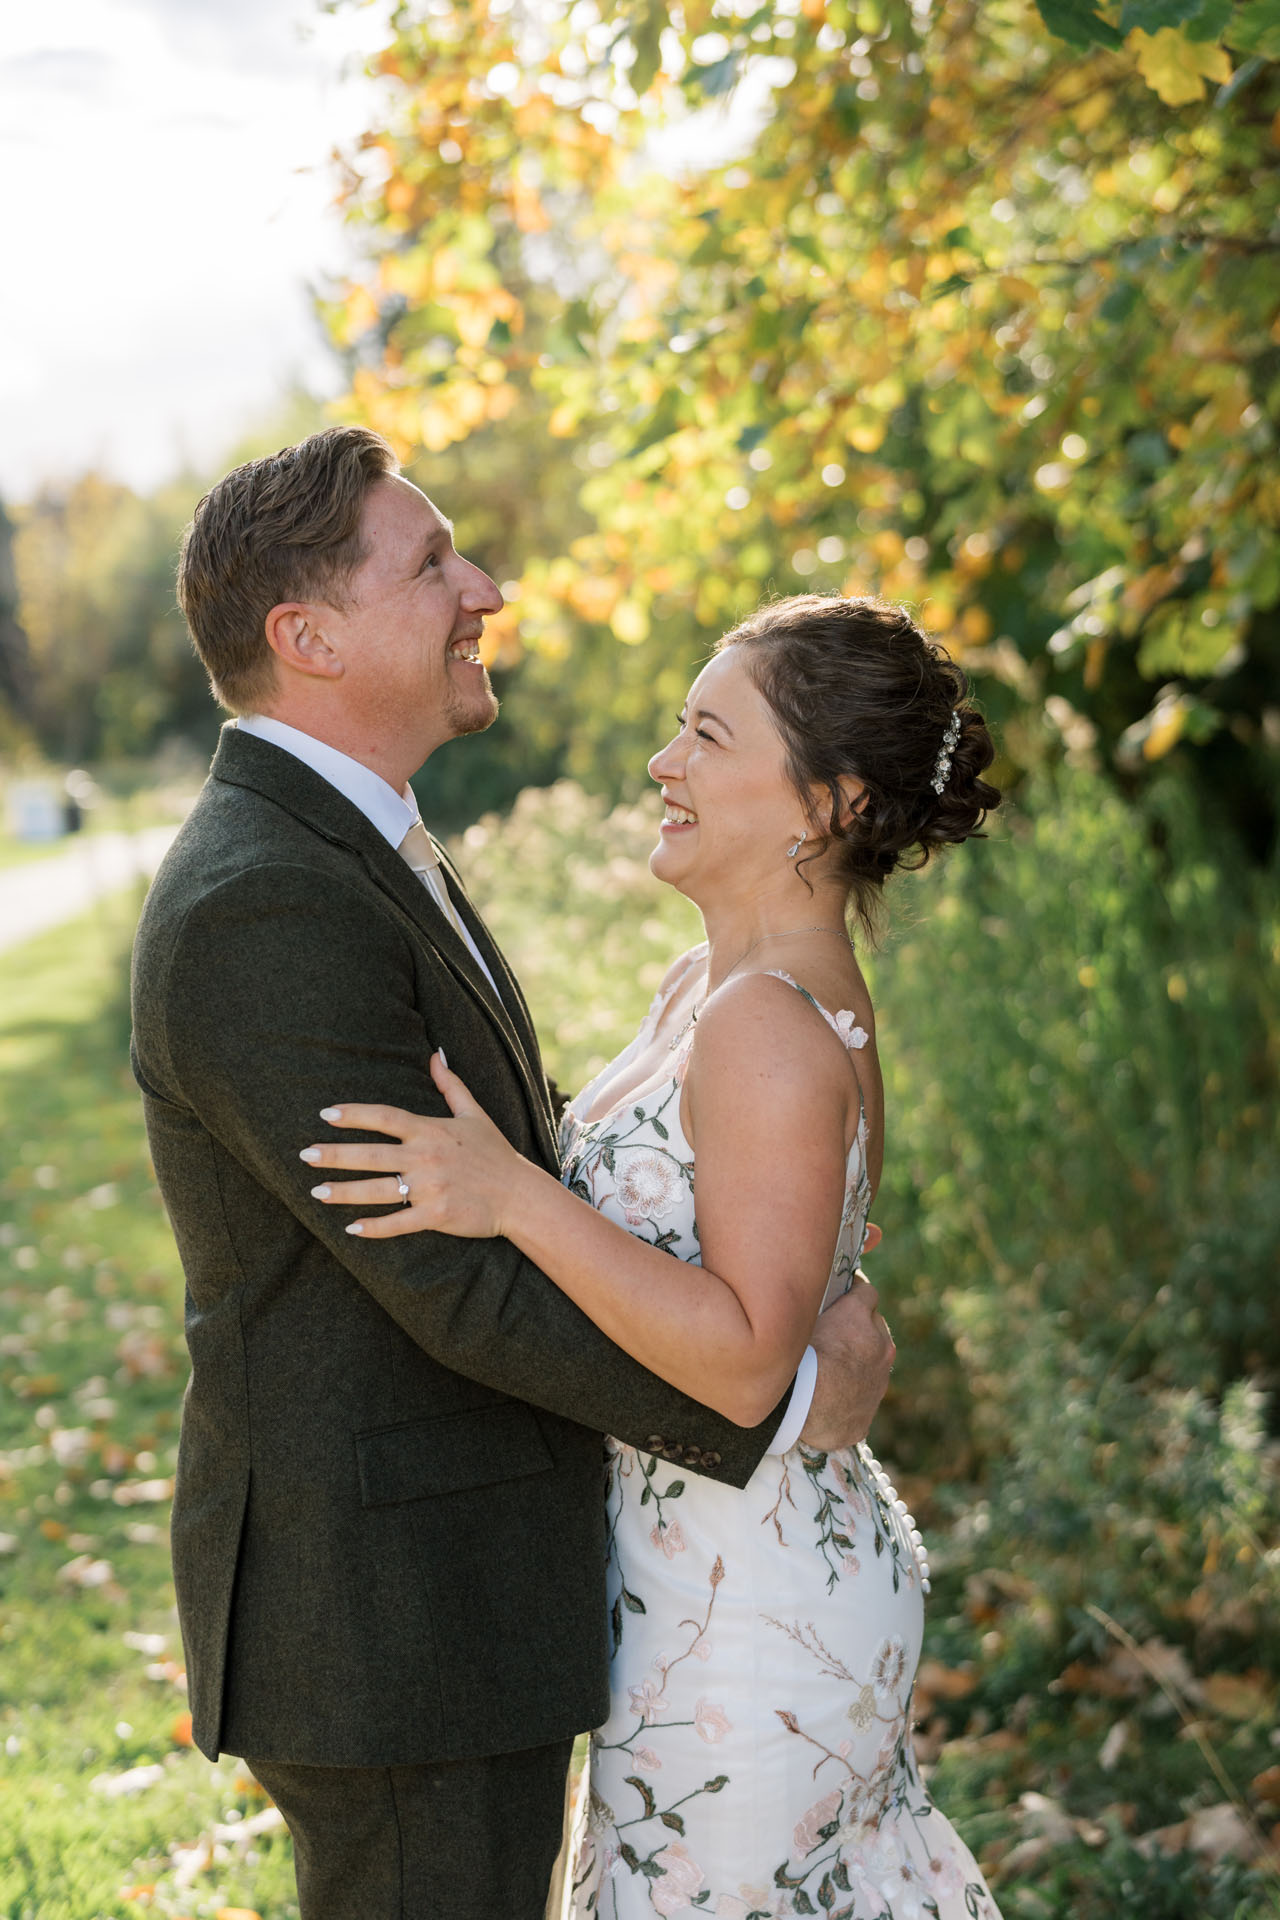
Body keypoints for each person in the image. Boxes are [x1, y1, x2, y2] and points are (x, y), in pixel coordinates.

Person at [129, 427, 894, 1920]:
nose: (488, 585)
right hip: (395, 1617)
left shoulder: (358, 845)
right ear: (311, 638)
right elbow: (458, 1282)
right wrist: (785, 1396)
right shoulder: (261, 904)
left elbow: (524, 1170)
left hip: (471, 1590)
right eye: (432, 564)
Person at [302, 591, 1005, 1919]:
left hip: (749, 1612)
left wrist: (512, 1197)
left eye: (706, 736)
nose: (662, 765)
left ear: (828, 804)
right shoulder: (712, 989)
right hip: (703, 1570)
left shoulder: (763, 1023)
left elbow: (747, 1363)